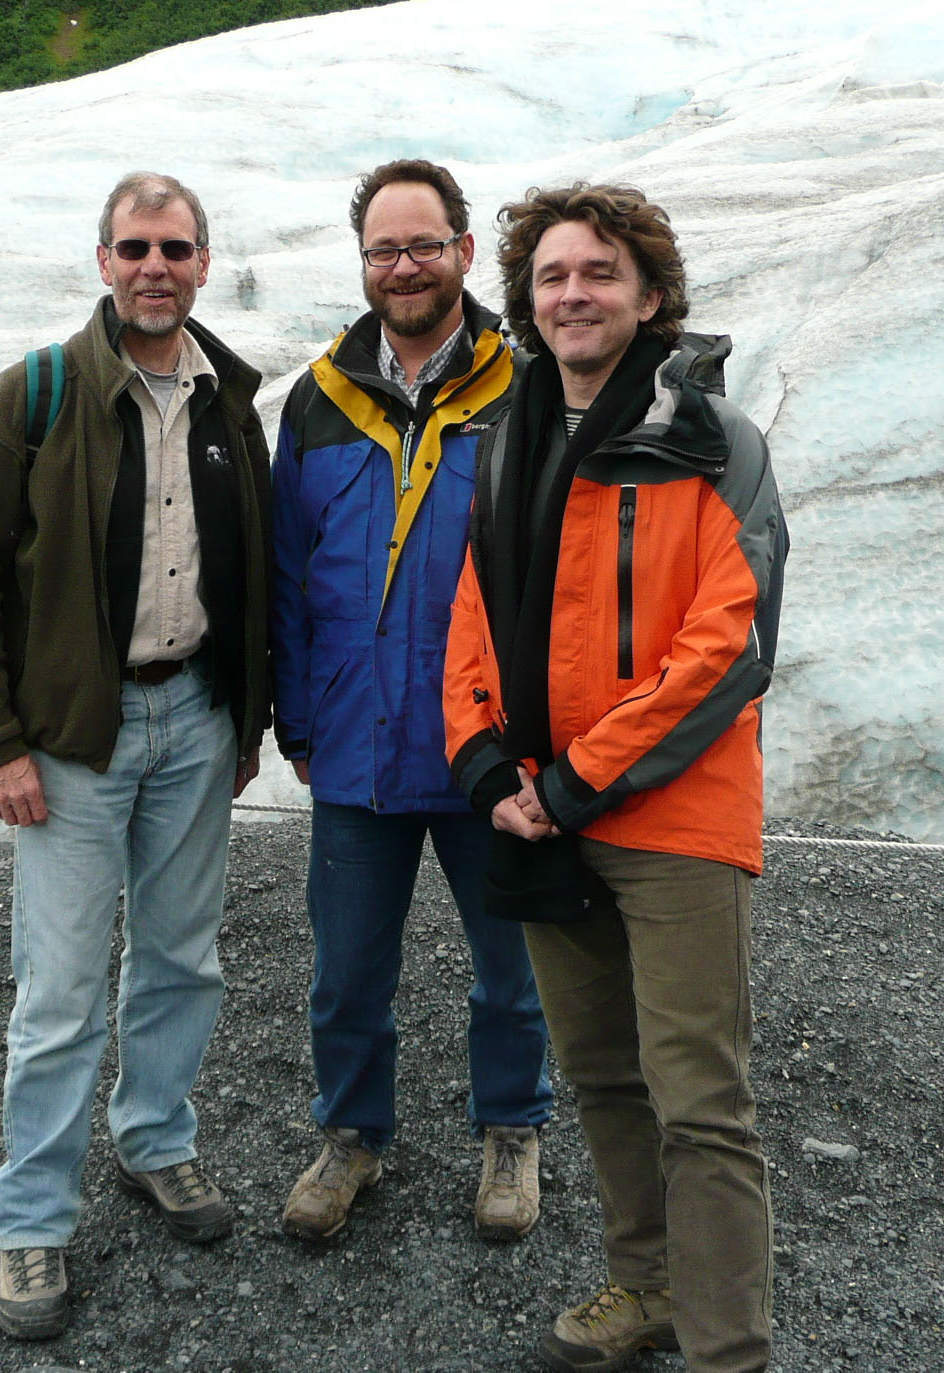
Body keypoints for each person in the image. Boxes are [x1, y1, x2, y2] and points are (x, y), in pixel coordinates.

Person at [443, 183, 788, 1373]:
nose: (573, 294)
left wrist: (578, 778)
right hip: (543, 810)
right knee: (598, 1074)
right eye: (551, 275)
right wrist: (485, 757)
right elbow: (475, 617)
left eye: (598, 273)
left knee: (699, 1099)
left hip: (672, 819)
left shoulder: (710, 441)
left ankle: (726, 1348)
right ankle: (644, 1285)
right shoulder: (508, 437)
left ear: (649, 294)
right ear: (526, 300)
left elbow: (729, 644)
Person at [0, 171, 270, 1342]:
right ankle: (31, 1219)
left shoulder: (231, 401)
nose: (154, 266)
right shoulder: (35, 396)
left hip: (194, 722)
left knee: (182, 959)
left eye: (175, 247)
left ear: (204, 263)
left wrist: (246, 718)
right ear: (102, 258)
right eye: (134, 246)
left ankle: (155, 1142)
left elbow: (253, 571)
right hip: (73, 741)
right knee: (63, 990)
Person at [269, 159, 552, 1244]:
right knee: (345, 971)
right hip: (356, 738)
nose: (403, 266)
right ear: (363, 263)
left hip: (493, 747)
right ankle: (350, 1134)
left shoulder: (525, 390)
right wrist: (297, 718)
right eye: (383, 249)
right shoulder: (318, 398)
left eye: (423, 245)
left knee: (509, 966)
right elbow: (292, 573)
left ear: (465, 253)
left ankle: (512, 1128)